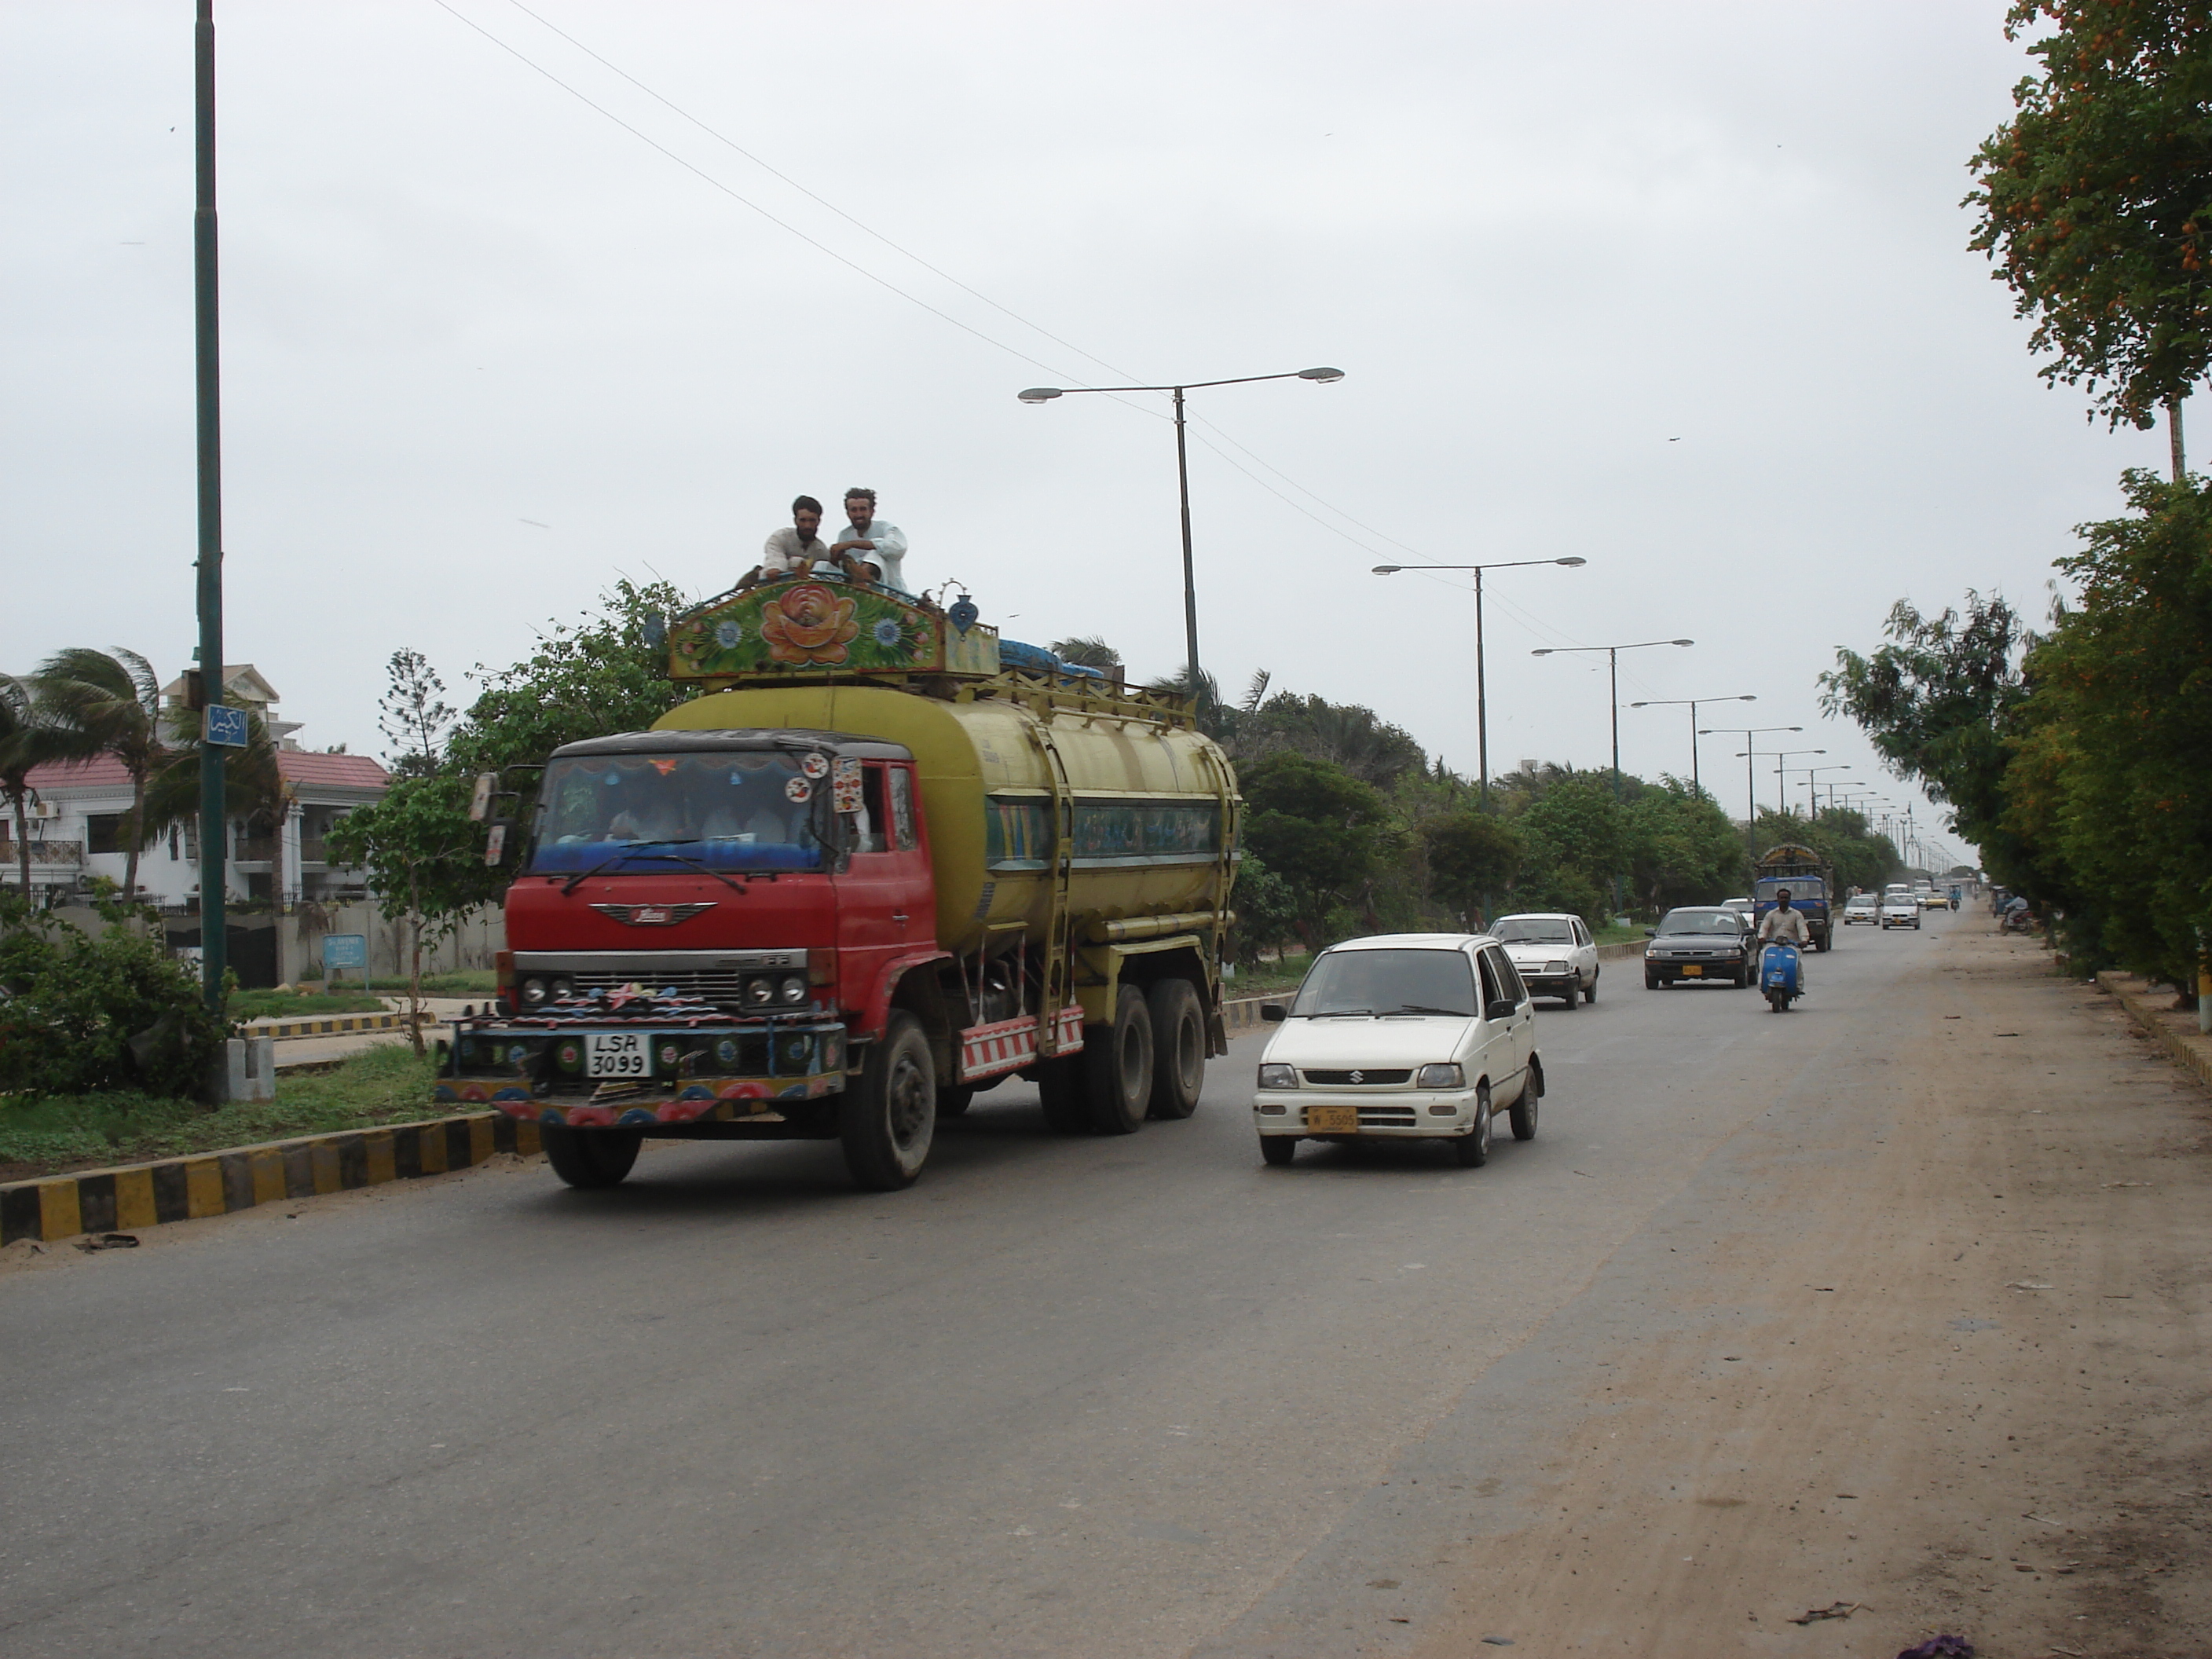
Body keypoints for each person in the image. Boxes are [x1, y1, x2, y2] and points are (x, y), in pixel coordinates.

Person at [738, 496, 876, 589]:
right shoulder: (780, 537)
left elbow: (827, 570)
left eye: (812, 521)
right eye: (803, 520)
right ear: (795, 520)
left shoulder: (820, 550)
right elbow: (775, 559)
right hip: (771, 589)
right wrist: (776, 570)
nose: (807, 526)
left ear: (818, 521)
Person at [827, 487, 909, 593]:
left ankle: (860, 581)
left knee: (875, 554)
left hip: (888, 592)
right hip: (853, 594)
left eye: (863, 509)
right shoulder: (844, 534)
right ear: (848, 513)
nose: (859, 514)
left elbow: (897, 548)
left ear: (872, 511)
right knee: (822, 565)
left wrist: (852, 544)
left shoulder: (886, 528)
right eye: (854, 510)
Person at [1756, 888, 1811, 991]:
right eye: (1781, 898)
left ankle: (1797, 986)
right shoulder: (1771, 914)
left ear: (1790, 899)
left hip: (1791, 945)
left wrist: (1804, 940)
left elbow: (1802, 928)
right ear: (1777, 899)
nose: (1783, 900)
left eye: (1786, 898)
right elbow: (1764, 927)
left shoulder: (1796, 914)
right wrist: (1761, 937)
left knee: (1797, 964)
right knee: (1765, 960)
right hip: (1773, 945)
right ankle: (1764, 984)